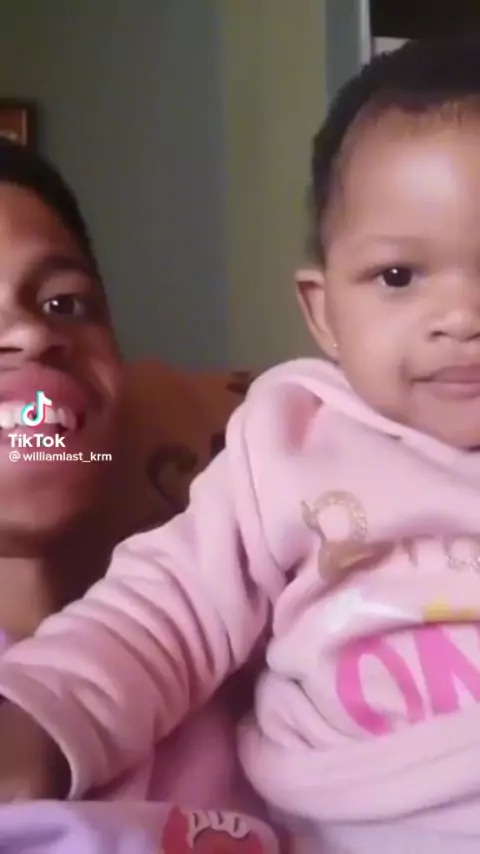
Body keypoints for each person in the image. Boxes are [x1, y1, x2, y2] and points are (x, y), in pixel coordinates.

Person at [2, 35, 480, 852]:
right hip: (357, 822)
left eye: (61, 304)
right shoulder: (290, 440)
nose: (461, 319)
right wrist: (42, 721)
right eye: (399, 277)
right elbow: (165, 609)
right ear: (324, 312)